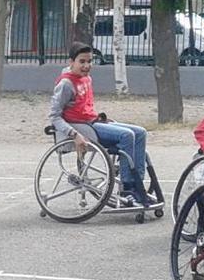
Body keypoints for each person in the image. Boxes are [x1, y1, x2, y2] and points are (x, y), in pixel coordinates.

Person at [49, 41, 150, 205]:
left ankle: (137, 183)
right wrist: (74, 134)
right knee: (127, 135)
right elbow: (54, 116)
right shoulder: (66, 84)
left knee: (140, 132)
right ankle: (127, 187)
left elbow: (85, 108)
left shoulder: (86, 79)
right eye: (82, 61)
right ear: (71, 62)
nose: (87, 65)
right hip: (81, 128)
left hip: (92, 121)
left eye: (89, 61)